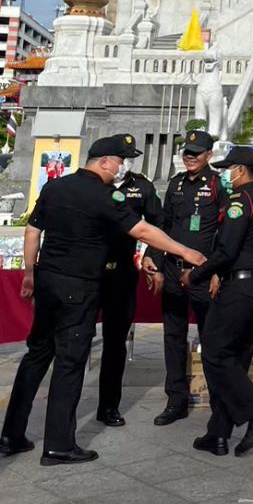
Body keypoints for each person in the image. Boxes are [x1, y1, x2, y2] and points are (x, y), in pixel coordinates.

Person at [0, 135, 207, 466]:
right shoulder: (102, 195)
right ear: (105, 162)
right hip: (78, 286)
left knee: (36, 354)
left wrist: (28, 272)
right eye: (119, 162)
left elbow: (32, 231)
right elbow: (142, 231)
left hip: (48, 281)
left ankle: (11, 434)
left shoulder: (55, 187)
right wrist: (186, 251)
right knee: (70, 362)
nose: (121, 168)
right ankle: (58, 445)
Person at [180, 146, 253, 457]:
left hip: (241, 286)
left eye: (228, 170)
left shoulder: (240, 202)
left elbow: (226, 250)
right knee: (235, 359)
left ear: (240, 170)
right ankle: (218, 433)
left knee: (214, 352)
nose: (226, 175)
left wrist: (196, 275)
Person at [143, 130, 222, 426]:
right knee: (173, 336)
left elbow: (226, 232)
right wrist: (153, 256)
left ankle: (219, 401)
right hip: (173, 269)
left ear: (209, 156)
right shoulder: (175, 184)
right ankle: (175, 400)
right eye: (186, 152)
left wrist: (218, 270)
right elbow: (163, 226)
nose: (190, 157)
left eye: (196, 153)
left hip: (203, 272)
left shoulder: (218, 185)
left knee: (211, 337)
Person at [96, 150, 163, 428]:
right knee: (75, 339)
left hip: (121, 271)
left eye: (129, 159)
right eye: (120, 158)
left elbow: (157, 222)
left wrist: (151, 255)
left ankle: (108, 405)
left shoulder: (142, 187)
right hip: (90, 271)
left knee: (115, 342)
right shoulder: (91, 184)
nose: (125, 164)